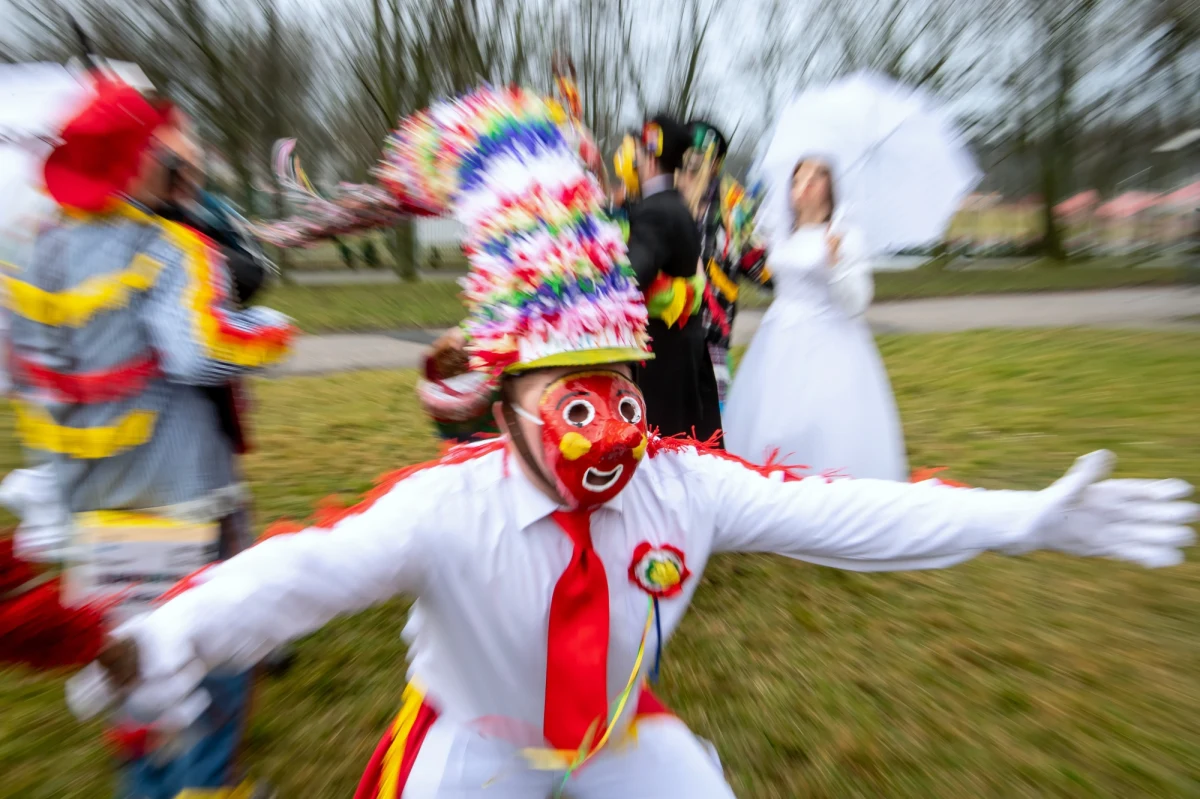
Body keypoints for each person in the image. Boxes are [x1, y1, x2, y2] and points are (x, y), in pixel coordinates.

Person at [66, 86, 1198, 799]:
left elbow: (852, 513)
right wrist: (165, 641)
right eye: (568, 395)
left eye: (615, 387)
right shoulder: (445, 504)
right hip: (474, 746)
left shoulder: (683, 483)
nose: (604, 422)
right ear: (502, 401)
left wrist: (1024, 518)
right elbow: (298, 574)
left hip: (617, 734)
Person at [7, 77, 293, 798]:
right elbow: (199, 349)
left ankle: (150, 785)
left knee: (134, 664)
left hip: (96, 504)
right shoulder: (170, 247)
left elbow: (23, 372)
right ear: (139, 159)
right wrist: (270, 332)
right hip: (185, 495)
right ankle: (206, 786)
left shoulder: (37, 255)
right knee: (213, 650)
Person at [724, 158, 908, 480]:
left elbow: (857, 303)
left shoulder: (843, 235)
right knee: (769, 424)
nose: (805, 183)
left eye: (816, 176)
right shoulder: (783, 235)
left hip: (828, 342)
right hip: (778, 340)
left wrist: (835, 262)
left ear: (831, 186)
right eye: (798, 177)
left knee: (822, 424)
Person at [623, 114, 721, 443]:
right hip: (681, 353)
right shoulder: (676, 205)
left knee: (664, 453)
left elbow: (631, 279)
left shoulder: (657, 212)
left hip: (663, 361)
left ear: (649, 156)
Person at [677, 120, 772, 412]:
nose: (692, 165)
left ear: (716, 162)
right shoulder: (664, 199)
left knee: (711, 437)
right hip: (665, 340)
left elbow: (763, 271)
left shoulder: (732, 206)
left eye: (700, 157)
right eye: (686, 156)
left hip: (711, 343)